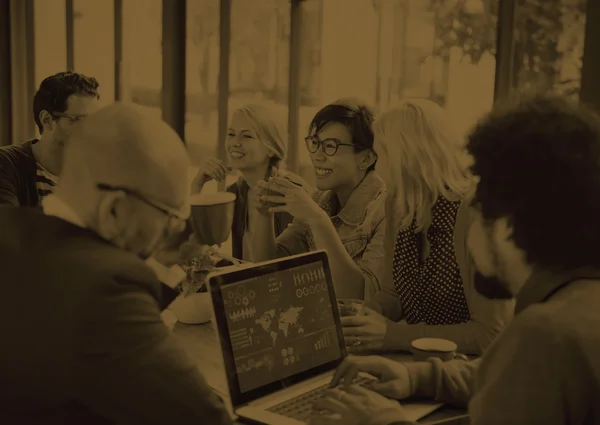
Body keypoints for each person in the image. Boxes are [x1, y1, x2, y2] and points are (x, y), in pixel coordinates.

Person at [308, 94, 600, 425]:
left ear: (506, 222)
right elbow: (497, 374)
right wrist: (417, 379)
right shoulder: (574, 310)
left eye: (484, 200)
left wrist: (386, 421)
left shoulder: (545, 333)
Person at [0, 102, 232, 425]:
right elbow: (207, 418)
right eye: (169, 215)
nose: (175, 229)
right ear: (114, 209)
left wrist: (163, 262)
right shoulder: (103, 293)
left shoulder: (14, 234)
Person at [341, 99, 514, 356]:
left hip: (470, 376)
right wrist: (369, 315)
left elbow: (490, 335)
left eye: (382, 156)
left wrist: (391, 335)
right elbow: (393, 292)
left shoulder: (476, 214)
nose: (376, 168)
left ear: (408, 160)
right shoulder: (398, 203)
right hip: (418, 366)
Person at [250, 98, 386, 299]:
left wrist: (318, 219)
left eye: (331, 146)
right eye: (315, 143)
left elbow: (360, 298)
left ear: (366, 158)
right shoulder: (321, 198)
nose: (317, 156)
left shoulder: (386, 211)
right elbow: (269, 272)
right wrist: (263, 213)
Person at [190, 103, 305, 261]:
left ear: (271, 148)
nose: (235, 143)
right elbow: (204, 241)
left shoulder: (291, 193)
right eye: (231, 134)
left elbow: (274, 267)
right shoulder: (236, 192)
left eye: (247, 136)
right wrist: (196, 186)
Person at [0, 71, 100, 207]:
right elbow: (8, 224)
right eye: (79, 120)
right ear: (47, 120)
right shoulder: (7, 164)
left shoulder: (98, 171)